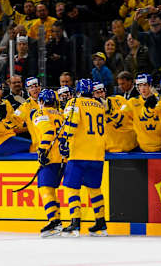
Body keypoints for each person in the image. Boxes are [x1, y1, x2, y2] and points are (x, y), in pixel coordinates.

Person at [60, 79, 107, 237]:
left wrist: (64, 141)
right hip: (97, 154)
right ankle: (101, 224)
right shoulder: (100, 105)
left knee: (72, 188)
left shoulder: (74, 102)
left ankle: (75, 223)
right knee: (94, 189)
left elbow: (72, 123)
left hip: (79, 153)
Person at [32, 88, 65, 237]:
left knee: (45, 189)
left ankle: (54, 221)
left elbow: (48, 132)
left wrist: (42, 150)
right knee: (52, 190)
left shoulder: (40, 113)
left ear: (41, 101)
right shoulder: (61, 114)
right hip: (63, 157)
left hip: (51, 157)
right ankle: (56, 221)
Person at [116, 73, 161, 152]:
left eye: (145, 85)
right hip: (141, 146)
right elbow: (120, 116)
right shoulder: (132, 102)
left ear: (150, 85)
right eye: (140, 85)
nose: (143, 88)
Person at [93, 82, 137, 153]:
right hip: (112, 150)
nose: (101, 95)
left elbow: (124, 118)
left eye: (102, 91)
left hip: (132, 145)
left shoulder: (119, 99)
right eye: (97, 93)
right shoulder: (92, 110)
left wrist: (109, 111)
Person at [11, 77, 41, 152]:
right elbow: (15, 127)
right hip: (37, 146)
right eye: (31, 87)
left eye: (36, 86)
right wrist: (28, 125)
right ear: (27, 90)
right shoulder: (24, 107)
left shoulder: (52, 99)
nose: (35, 89)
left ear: (40, 87)